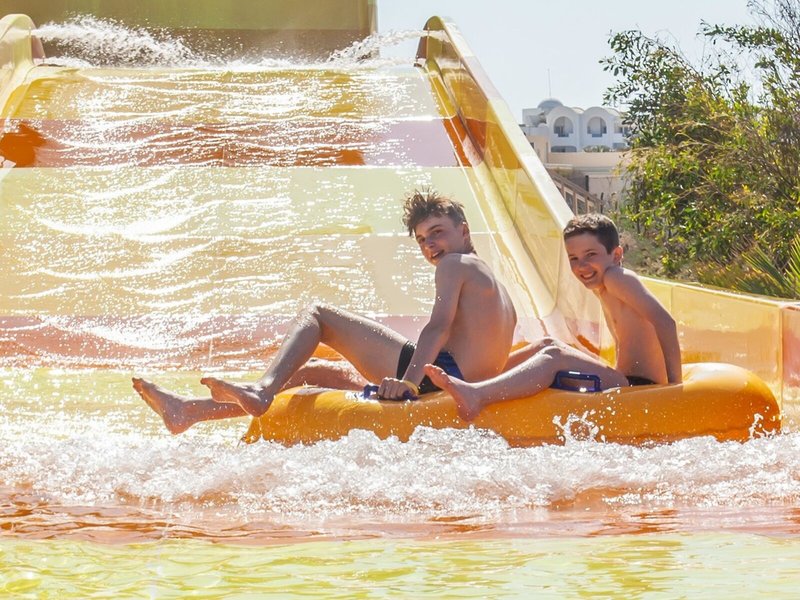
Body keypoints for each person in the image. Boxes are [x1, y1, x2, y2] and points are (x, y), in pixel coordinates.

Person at [134, 189, 517, 431]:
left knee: (318, 314)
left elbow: (438, 328)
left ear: (464, 231)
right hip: (458, 382)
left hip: (440, 377)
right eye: (421, 240)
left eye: (437, 232)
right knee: (313, 370)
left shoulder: (454, 265)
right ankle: (190, 411)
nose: (430, 245)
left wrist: (410, 384)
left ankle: (261, 390)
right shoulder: (499, 290)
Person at [423, 213, 682, 422]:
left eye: (591, 255)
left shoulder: (617, 277)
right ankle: (478, 383)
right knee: (546, 344)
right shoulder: (607, 284)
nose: (581, 266)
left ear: (616, 255)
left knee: (555, 355)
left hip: (638, 385)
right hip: (626, 378)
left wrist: (675, 387)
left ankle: (477, 393)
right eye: (573, 258)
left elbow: (665, 322)